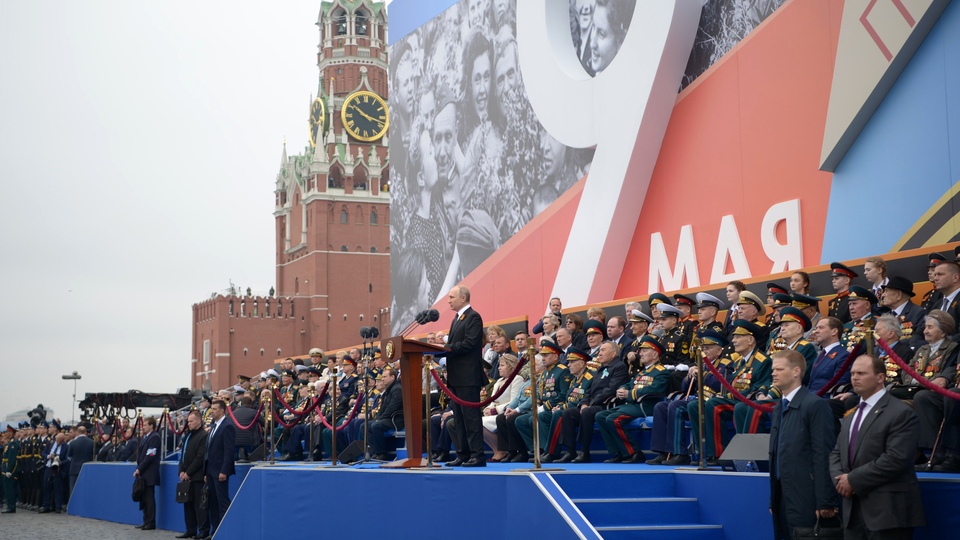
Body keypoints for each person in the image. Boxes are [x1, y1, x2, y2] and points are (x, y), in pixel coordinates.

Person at [830, 355, 927, 539]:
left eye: (861, 373)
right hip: (853, 512)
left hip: (888, 513)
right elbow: (836, 452)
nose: (854, 378)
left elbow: (896, 459)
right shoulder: (851, 414)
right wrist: (839, 480)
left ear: (880, 377)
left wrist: (852, 480)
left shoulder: (901, 413)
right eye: (852, 373)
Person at [768, 350, 839, 540]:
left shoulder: (815, 405)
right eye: (773, 369)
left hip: (807, 496)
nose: (773, 373)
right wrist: (774, 498)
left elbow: (823, 454)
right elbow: (776, 456)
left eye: (779, 369)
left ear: (796, 371)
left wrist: (825, 500)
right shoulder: (778, 407)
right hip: (783, 496)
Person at [596, 336, 670, 463]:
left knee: (613, 419)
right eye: (641, 351)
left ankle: (634, 453)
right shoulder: (642, 372)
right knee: (600, 416)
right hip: (632, 406)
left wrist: (629, 394)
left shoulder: (661, 371)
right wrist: (622, 389)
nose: (640, 353)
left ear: (655, 354)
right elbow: (629, 384)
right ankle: (619, 451)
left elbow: (654, 389)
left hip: (646, 405)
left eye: (645, 351)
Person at [557, 341, 629, 463]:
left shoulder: (619, 367)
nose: (599, 353)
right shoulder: (600, 369)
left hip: (608, 405)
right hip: (594, 405)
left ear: (613, 353)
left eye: (603, 350)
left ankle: (585, 451)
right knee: (568, 413)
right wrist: (583, 403)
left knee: (587, 412)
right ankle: (570, 451)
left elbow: (610, 390)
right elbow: (590, 390)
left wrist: (591, 404)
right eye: (599, 350)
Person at [443, 285, 487, 467]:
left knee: (471, 417)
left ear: (463, 298)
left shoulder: (473, 317)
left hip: (468, 376)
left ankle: (477, 455)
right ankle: (463, 454)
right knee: (459, 418)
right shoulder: (456, 318)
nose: (448, 300)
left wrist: (445, 349)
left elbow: (470, 343)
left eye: (452, 297)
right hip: (456, 376)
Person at [204, 400, 236, 536]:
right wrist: (206, 472)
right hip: (210, 471)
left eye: (215, 409)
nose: (212, 411)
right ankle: (215, 530)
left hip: (220, 471)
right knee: (212, 503)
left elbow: (228, 451)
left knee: (222, 501)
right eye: (211, 408)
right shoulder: (213, 425)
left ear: (222, 410)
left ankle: (225, 531)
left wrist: (224, 470)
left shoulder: (227, 426)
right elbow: (208, 451)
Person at [177, 410, 209, 540]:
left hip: (197, 477)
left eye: (190, 421)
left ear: (198, 421)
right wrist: (181, 472)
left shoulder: (203, 436)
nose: (188, 424)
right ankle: (190, 530)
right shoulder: (188, 435)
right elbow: (183, 455)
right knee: (187, 505)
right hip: (186, 477)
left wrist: (188, 473)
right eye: (187, 421)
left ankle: (203, 531)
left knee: (199, 506)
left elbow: (200, 457)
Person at [133, 417, 161, 531]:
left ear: (151, 426)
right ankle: (145, 520)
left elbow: (150, 455)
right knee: (144, 498)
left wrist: (139, 469)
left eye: (145, 425)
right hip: (144, 472)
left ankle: (151, 522)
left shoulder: (155, 437)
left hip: (149, 472)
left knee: (149, 498)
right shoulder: (146, 437)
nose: (143, 427)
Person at [370, 367, 403, 461]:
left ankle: (382, 453)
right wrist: (377, 417)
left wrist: (379, 419)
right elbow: (382, 408)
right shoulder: (389, 389)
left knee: (376, 425)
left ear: (392, 377)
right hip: (388, 418)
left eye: (384, 377)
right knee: (364, 426)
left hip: (397, 419)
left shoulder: (397, 389)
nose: (382, 379)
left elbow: (392, 408)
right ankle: (375, 451)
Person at [38, 433, 66, 514]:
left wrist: (61, 462)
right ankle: (46, 506)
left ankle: (58, 507)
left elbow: (68, 459)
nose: (59, 442)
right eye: (58, 440)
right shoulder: (50, 443)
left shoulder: (65, 446)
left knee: (58, 488)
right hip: (48, 467)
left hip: (58, 469)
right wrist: (49, 456)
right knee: (47, 487)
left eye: (61, 441)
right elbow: (43, 453)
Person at [66, 425, 93, 500]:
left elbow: (69, 456)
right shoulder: (92, 442)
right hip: (87, 468)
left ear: (77, 432)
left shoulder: (73, 443)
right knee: (85, 488)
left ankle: (73, 505)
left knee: (73, 488)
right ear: (85, 432)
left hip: (74, 468)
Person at [2, 427, 19, 513]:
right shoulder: (9, 442)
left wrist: (9, 470)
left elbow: (12, 458)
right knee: (7, 488)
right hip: (5, 467)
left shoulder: (13, 443)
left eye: (7, 431)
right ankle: (9, 506)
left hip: (10, 468)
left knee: (10, 488)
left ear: (11, 433)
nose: (5, 433)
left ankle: (11, 507)